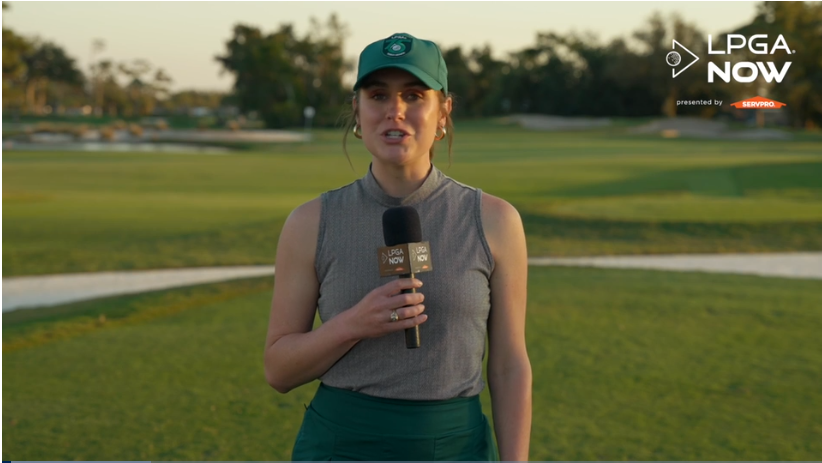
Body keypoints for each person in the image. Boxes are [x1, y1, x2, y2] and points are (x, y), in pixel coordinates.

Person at [264, 32, 531, 461]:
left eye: (414, 95)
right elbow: (278, 371)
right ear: (357, 110)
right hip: (340, 446)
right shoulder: (310, 223)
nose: (395, 110)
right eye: (377, 95)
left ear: (443, 111)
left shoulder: (495, 220)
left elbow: (509, 366)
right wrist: (353, 324)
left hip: (454, 447)